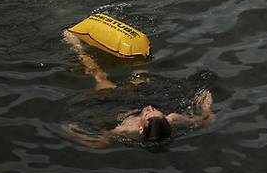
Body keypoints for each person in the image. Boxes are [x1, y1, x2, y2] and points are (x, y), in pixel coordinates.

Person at [62, 30, 215, 146]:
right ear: (167, 120)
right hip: (138, 98)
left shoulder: (127, 130)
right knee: (141, 74)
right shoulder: (173, 119)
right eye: (156, 111)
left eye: (149, 114)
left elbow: (100, 141)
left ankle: (74, 44)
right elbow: (204, 120)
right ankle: (134, 50)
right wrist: (206, 104)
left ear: (141, 129)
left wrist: (73, 131)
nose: (150, 108)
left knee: (99, 76)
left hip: (119, 102)